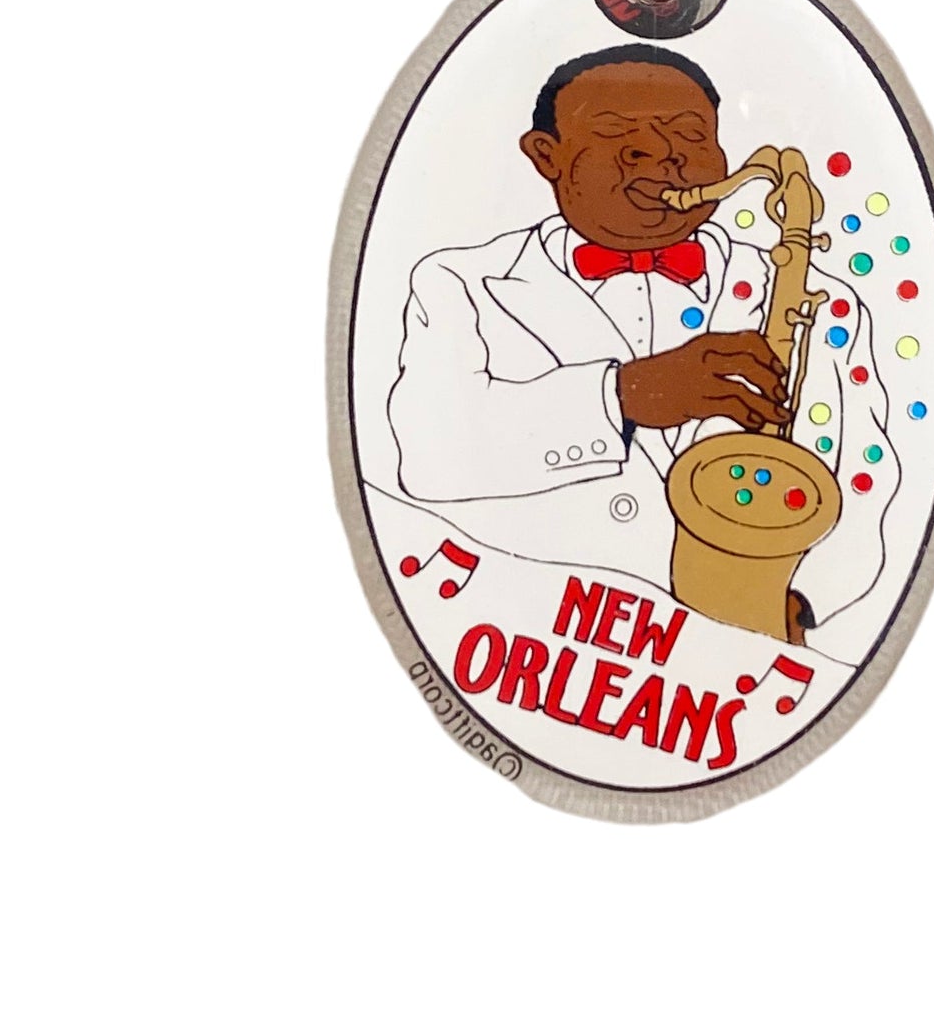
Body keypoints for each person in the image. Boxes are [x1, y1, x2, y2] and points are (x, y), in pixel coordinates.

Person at [384, 44, 899, 634]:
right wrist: (626, 396)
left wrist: (800, 601)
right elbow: (426, 455)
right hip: (531, 633)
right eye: (616, 132)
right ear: (546, 155)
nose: (662, 154)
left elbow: (864, 472)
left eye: (690, 134)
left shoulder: (816, 297)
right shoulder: (458, 283)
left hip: (750, 644)